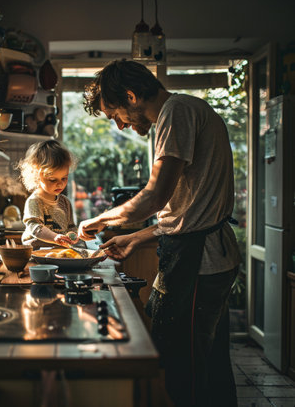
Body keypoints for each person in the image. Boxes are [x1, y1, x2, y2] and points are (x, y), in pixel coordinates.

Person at [78, 59, 241, 407]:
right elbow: (185, 214)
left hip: (200, 263)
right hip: (203, 254)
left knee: (186, 366)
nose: (119, 124)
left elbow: (155, 196)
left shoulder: (175, 111)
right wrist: (133, 239)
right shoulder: (185, 109)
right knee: (208, 362)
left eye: (115, 114)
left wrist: (102, 219)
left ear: (132, 96)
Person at [18, 139, 79, 249]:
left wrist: (73, 236)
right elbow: (34, 226)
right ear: (37, 176)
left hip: (58, 251)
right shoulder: (34, 201)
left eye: (64, 178)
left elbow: (71, 227)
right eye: (52, 179)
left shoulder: (65, 202)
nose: (60, 184)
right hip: (36, 251)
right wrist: (54, 237)